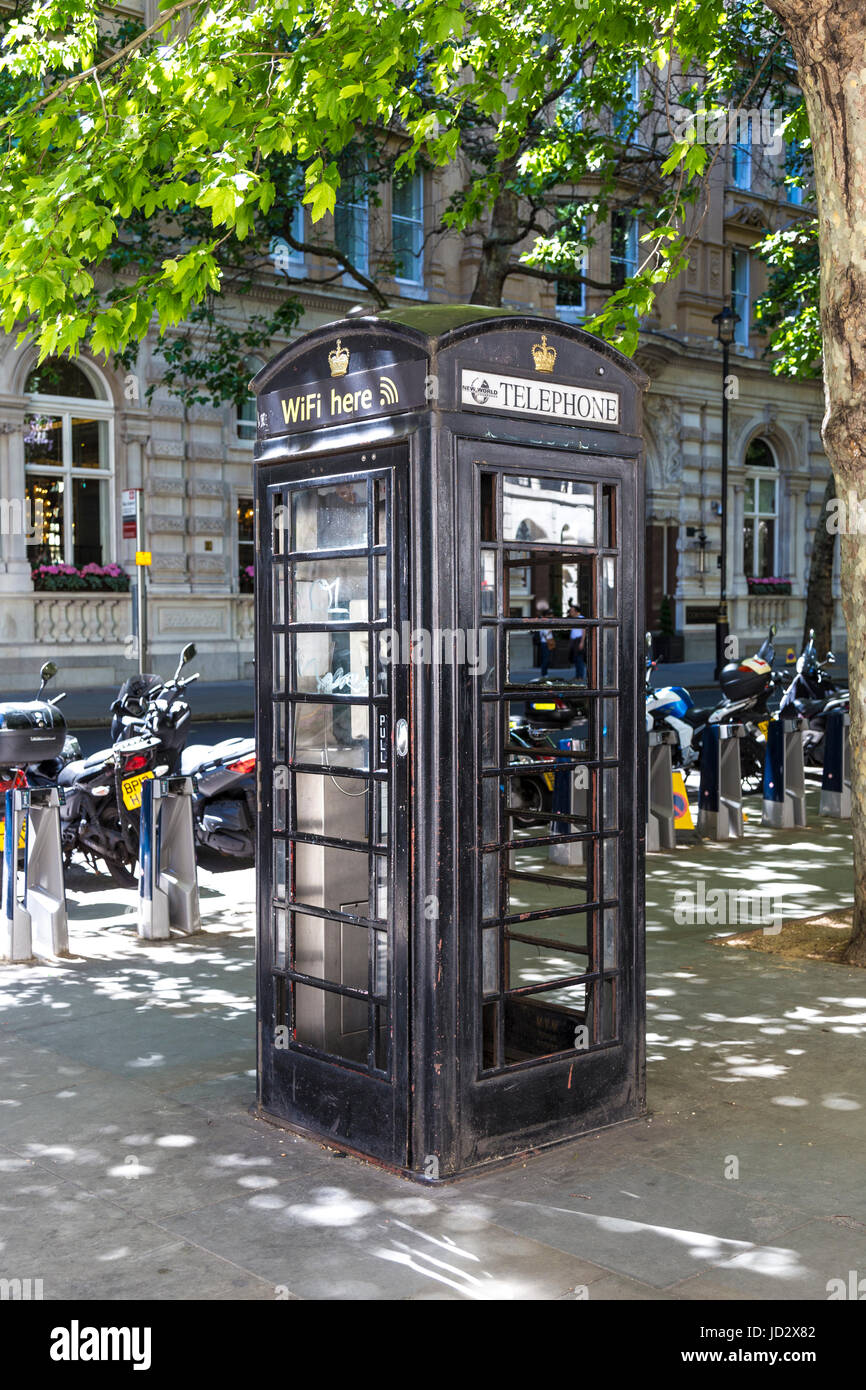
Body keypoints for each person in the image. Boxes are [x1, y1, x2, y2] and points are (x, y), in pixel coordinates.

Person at [568, 601, 586, 683]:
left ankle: (581, 676)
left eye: (572, 611)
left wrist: (582, 642)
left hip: (578, 640)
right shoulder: (573, 619)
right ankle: (577, 676)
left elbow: (584, 631)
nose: (570, 612)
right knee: (575, 659)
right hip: (573, 640)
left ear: (576, 611)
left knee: (579, 659)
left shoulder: (581, 618)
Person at [535, 599, 554, 676]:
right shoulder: (543, 622)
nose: (552, 616)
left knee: (547, 659)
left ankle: (545, 673)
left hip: (548, 642)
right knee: (545, 659)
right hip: (545, 642)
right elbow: (544, 633)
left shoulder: (548, 621)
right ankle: (544, 674)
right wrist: (551, 629)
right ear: (547, 615)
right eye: (550, 614)